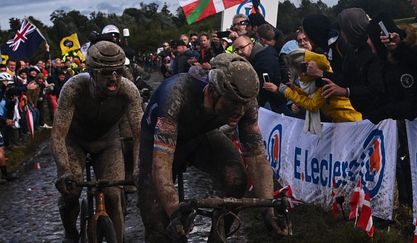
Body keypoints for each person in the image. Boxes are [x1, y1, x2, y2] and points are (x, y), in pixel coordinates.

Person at [138, 53, 288, 242]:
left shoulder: (245, 99)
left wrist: (268, 209)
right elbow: (161, 165)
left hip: (200, 135)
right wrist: (174, 212)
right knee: (158, 226)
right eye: (233, 103)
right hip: (157, 142)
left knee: (235, 178)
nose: (240, 111)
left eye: (243, 104)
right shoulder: (175, 94)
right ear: (211, 92)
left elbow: (256, 155)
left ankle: (218, 236)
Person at [51, 41, 142, 243]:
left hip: (107, 142)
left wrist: (137, 170)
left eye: (118, 71)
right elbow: (58, 135)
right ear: (91, 72)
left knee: (113, 195)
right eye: (106, 73)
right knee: (71, 192)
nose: (114, 77)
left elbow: (140, 135)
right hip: (75, 141)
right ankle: (70, 232)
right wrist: (64, 169)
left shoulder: (129, 91)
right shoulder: (73, 88)